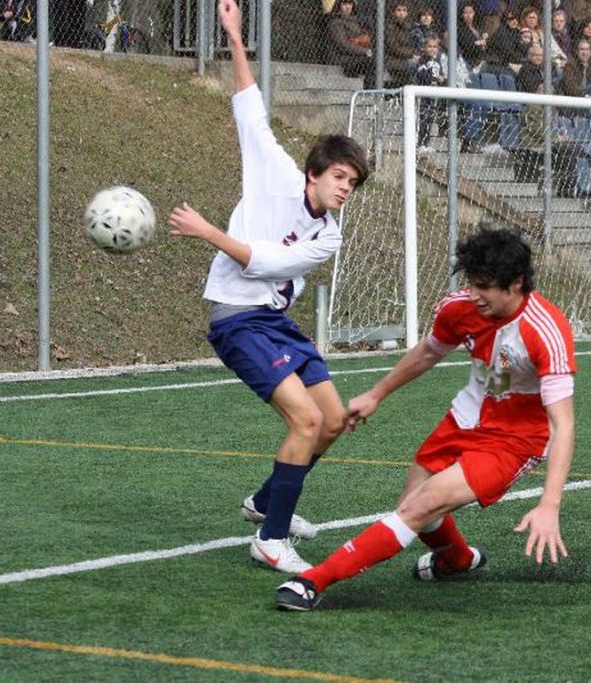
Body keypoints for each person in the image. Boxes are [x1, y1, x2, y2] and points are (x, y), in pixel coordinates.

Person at [274, 227, 578, 611]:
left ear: (516, 284)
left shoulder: (545, 329)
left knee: (419, 508)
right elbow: (427, 353)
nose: (473, 295)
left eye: (483, 286)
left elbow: (562, 423)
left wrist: (549, 504)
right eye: (471, 284)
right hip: (464, 416)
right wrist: (375, 394)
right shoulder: (459, 307)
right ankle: (458, 559)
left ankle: (312, 581)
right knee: (414, 507)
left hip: (514, 441)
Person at [167, 0, 370, 575]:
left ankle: (265, 502)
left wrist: (208, 231)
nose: (345, 189)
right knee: (304, 422)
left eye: (353, 182)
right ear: (314, 172)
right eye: (339, 177)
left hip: (274, 321)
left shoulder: (329, 236)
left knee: (331, 421)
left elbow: (265, 262)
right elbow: (249, 106)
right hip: (237, 320)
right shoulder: (276, 172)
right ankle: (271, 539)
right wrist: (233, 33)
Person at [328, 0, 375, 89]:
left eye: (350, 4)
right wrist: (366, 51)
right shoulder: (336, 23)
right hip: (344, 59)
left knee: (377, 60)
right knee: (372, 62)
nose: (348, 7)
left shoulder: (356, 21)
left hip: (358, 56)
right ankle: (369, 93)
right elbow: (343, 45)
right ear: (339, 5)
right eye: (344, 4)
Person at [415, 36, 448, 154]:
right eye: (429, 46)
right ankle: (419, 143)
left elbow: (442, 75)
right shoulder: (423, 59)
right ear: (424, 48)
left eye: (434, 47)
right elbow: (421, 73)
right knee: (423, 118)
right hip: (424, 93)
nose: (432, 49)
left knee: (430, 118)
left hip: (434, 94)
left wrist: (442, 79)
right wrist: (433, 79)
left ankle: (426, 143)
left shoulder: (438, 61)